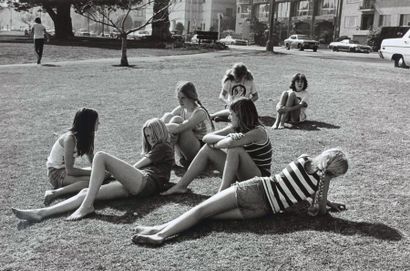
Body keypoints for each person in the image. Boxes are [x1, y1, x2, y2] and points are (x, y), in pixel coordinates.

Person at [132, 148, 349, 246]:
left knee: (201, 210)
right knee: (206, 216)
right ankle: (157, 230)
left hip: (255, 189)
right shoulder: (320, 183)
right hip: (261, 210)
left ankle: (160, 233)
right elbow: (319, 210)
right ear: (335, 171)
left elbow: (296, 184)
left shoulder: (304, 160)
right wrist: (326, 200)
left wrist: (325, 198)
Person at [12, 118, 174, 222]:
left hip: (146, 183)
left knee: (101, 157)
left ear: (160, 132)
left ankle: (87, 206)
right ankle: (41, 213)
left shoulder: (163, 146)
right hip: (139, 185)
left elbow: (137, 167)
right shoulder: (157, 148)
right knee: (86, 192)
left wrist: (113, 171)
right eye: (147, 136)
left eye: (152, 135)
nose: (150, 139)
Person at [162, 97, 272, 195]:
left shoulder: (258, 132)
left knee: (235, 149)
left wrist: (227, 141)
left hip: (259, 178)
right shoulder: (235, 128)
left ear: (240, 116)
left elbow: (231, 144)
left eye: (232, 114)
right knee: (207, 148)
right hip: (243, 173)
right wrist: (226, 138)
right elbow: (206, 138)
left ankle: (222, 193)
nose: (229, 117)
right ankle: (181, 186)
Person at [43, 108, 101, 205]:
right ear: (88, 123)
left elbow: (93, 160)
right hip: (56, 173)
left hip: (66, 171)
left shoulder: (88, 136)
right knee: (90, 182)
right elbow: (70, 170)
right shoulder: (70, 139)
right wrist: (93, 172)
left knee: (98, 177)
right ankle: (54, 193)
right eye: (97, 121)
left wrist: (100, 170)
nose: (99, 123)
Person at [161, 81, 213, 167]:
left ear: (191, 97)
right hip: (187, 149)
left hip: (202, 150)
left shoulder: (200, 112)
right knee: (169, 116)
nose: (180, 101)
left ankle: (168, 158)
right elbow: (166, 119)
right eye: (178, 98)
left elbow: (179, 128)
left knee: (182, 127)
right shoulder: (181, 109)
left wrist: (158, 128)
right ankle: (167, 158)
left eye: (183, 98)